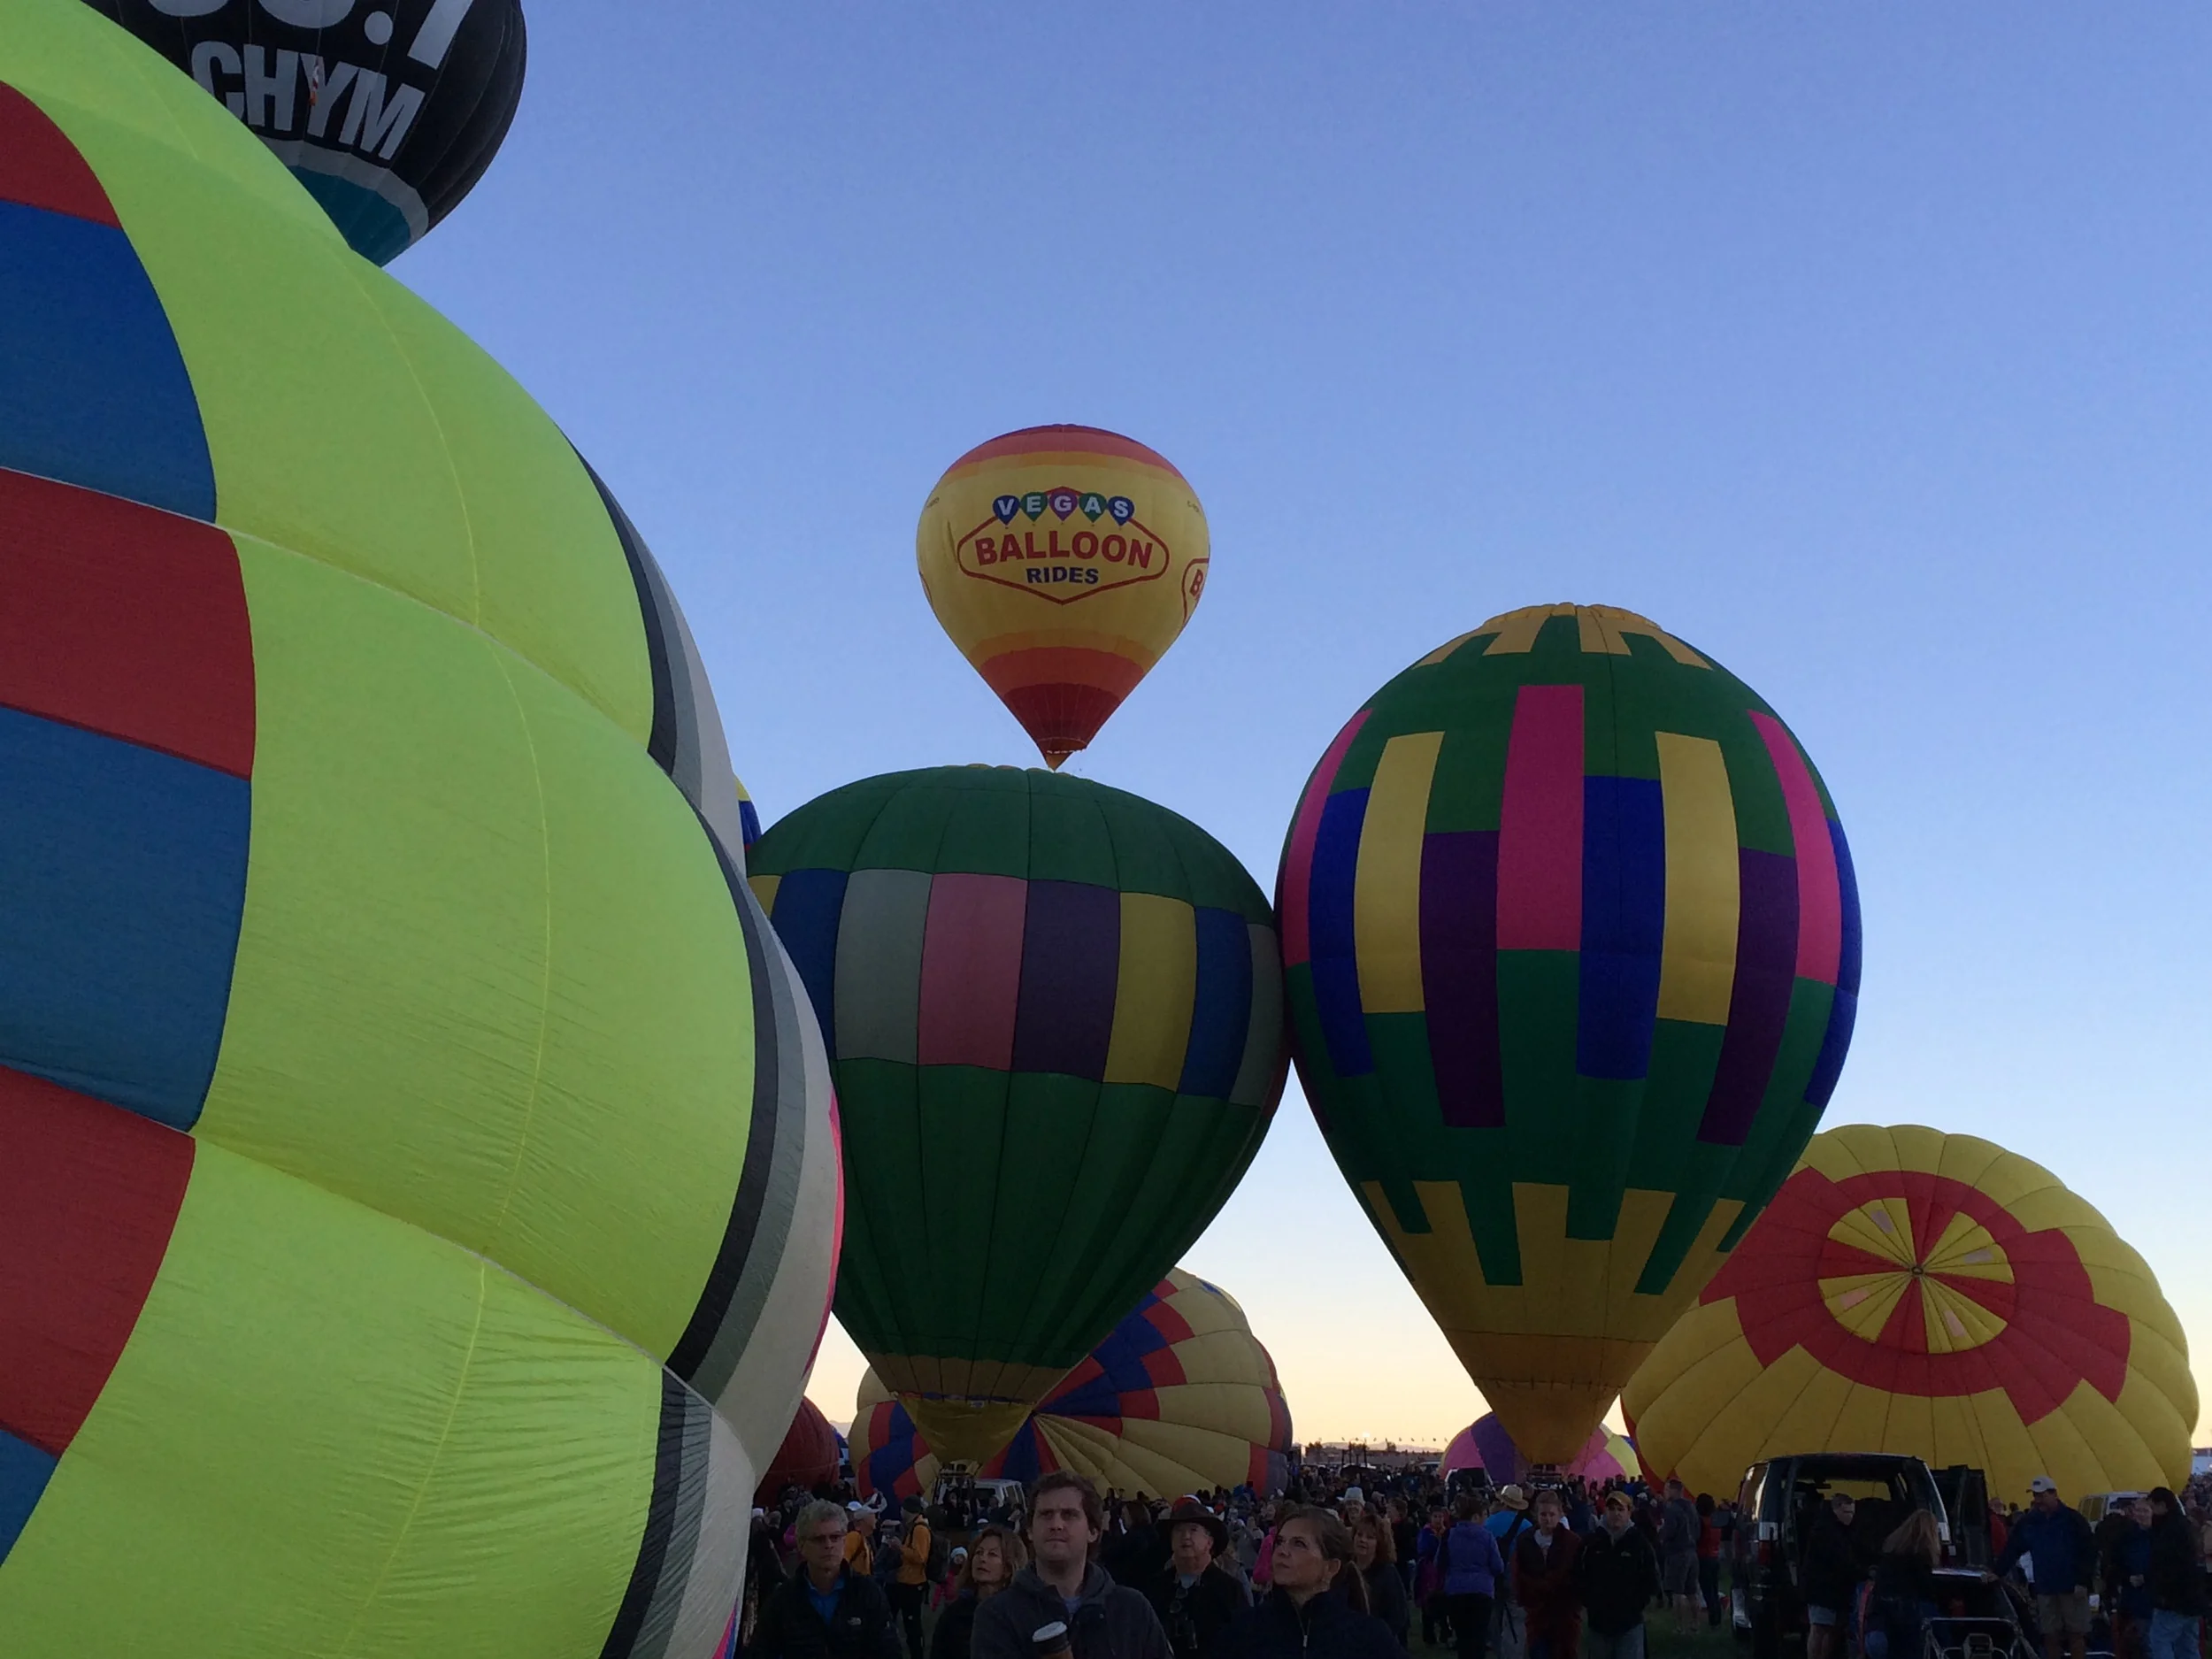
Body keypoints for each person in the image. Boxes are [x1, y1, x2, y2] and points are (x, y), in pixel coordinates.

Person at [971, 1473, 1172, 1659]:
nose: (1056, 1524)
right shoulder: (997, 1615)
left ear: (1093, 1531)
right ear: (1030, 1531)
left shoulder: (1132, 1610)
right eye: (1046, 1514)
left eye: (1069, 1515)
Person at [1217, 1505, 1405, 1659]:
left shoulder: (1369, 1638)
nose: (1282, 1551)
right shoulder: (1244, 1631)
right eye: (1280, 1542)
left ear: (1331, 1567)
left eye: (1299, 1544)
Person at [753, 1499, 904, 1659]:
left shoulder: (868, 1593)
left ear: (844, 1541)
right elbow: (760, 1652)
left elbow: (889, 1650)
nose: (828, 1545)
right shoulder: (782, 1600)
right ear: (802, 1545)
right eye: (819, 1539)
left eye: (835, 1537)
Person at [1996, 1478, 2098, 1659]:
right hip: (2045, 1587)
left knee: (2076, 1633)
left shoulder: (2073, 1520)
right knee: (2049, 1634)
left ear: (2054, 1494)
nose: (2038, 1500)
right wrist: (1997, 1572)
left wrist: (2083, 1581)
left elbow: (2089, 1551)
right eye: (2035, 1496)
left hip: (2072, 1587)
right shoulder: (2029, 1522)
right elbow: (2013, 1548)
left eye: (2042, 1495)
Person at [1149, 1498, 1249, 1659]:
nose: (1185, 1536)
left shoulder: (1230, 1590)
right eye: (1179, 1530)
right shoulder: (1156, 1586)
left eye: (1193, 1530)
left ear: (1209, 1542)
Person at [1577, 1491, 1661, 1659]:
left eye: (1620, 1509)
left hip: (1630, 1623)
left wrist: (1638, 1604)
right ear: (1605, 1511)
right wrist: (1589, 1601)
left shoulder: (1639, 1543)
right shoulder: (1592, 1543)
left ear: (1629, 1512)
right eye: (1612, 1509)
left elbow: (1651, 1577)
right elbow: (1578, 1574)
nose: (1616, 1514)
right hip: (1598, 1622)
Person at [933, 1526, 1027, 1659]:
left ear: (1008, 1567)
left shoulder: (1022, 1616)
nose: (982, 1559)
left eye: (992, 1554)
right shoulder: (954, 1614)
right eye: (979, 1553)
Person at [1511, 1491, 1583, 1659]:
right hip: (1537, 1611)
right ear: (1536, 1515)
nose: (1547, 1519)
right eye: (1543, 1514)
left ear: (1560, 1514)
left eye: (1552, 1514)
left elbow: (1575, 1573)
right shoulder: (1526, 1540)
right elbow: (1518, 1571)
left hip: (1564, 1612)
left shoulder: (1571, 1541)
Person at [1863, 1510, 1942, 1659]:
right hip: (1909, 1617)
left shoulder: (1890, 1553)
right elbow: (1927, 1590)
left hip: (1884, 1617)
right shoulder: (1921, 1559)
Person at [1442, 1494, 1508, 1659]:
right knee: (1478, 1640)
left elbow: (1440, 1562)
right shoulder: (1486, 1536)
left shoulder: (1450, 1535)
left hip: (1456, 1591)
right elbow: (1497, 1566)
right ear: (1476, 1516)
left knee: (1463, 1640)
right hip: (1481, 1591)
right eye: (1484, 1515)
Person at [1801, 1494, 1865, 1659]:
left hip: (1836, 1589)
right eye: (1846, 1512)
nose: (1850, 1516)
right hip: (1822, 1588)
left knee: (1830, 1630)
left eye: (1852, 1512)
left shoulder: (1846, 1531)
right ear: (1835, 1510)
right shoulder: (1824, 1531)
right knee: (1819, 1628)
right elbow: (1839, 1560)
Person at [2144, 1487, 2201, 1659]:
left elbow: (2167, 1565)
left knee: (2160, 1640)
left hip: (2173, 1599)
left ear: (2162, 1506)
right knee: (2187, 1644)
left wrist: (2162, 1593)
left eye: (2152, 1508)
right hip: (2192, 1598)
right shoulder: (2183, 1526)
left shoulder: (2169, 1532)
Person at [1354, 1514, 1411, 1650]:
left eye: (1370, 1537)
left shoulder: (1387, 1573)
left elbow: (1398, 1615)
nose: (1362, 1540)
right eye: (1359, 1534)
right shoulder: (1345, 1570)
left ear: (1379, 1543)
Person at [2107, 1498, 2155, 1659]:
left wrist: (2147, 1577)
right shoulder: (2126, 1537)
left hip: (2155, 1599)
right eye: (2138, 1510)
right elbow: (2115, 1564)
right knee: (2133, 1643)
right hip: (2131, 1599)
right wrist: (2127, 1578)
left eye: (2145, 1511)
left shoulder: (2162, 1537)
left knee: (2152, 1643)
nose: (2141, 1514)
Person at [890, 1496, 934, 1659]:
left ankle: (917, 1654)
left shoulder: (920, 1529)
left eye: (903, 1508)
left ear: (909, 1510)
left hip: (913, 1583)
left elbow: (920, 1557)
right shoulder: (913, 1527)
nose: (901, 1511)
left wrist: (899, 1548)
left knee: (912, 1625)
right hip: (905, 1581)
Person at [1656, 1481, 1700, 1634]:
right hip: (1692, 1551)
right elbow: (1697, 1528)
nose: (1664, 1492)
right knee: (1691, 1591)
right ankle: (1695, 1624)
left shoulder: (1672, 1509)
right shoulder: (1691, 1507)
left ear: (1674, 1491)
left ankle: (1679, 1627)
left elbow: (1670, 1531)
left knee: (1677, 1592)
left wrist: (1662, 1536)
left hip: (1677, 1553)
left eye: (1666, 1489)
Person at [1417, 1504, 1454, 1650]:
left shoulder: (1447, 1533)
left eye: (1440, 1517)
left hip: (1442, 1574)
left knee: (1444, 1605)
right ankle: (1429, 1637)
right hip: (1428, 1573)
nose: (1438, 1520)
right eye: (1435, 1517)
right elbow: (1424, 1550)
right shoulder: (1425, 1533)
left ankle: (1445, 1634)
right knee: (1428, 1606)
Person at [1694, 1495, 1724, 1629]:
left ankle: (1713, 1619)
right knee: (1714, 1587)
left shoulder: (1701, 1522)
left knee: (1707, 1590)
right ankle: (1717, 1616)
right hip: (1714, 1555)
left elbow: (1697, 1538)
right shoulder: (1716, 1520)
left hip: (1703, 1556)